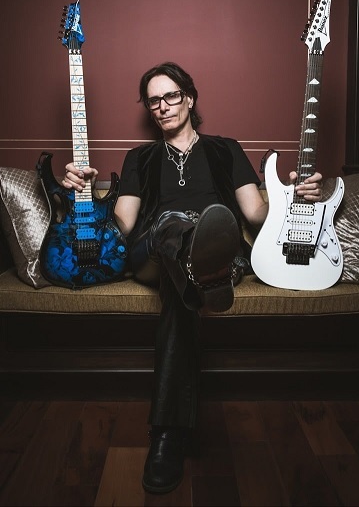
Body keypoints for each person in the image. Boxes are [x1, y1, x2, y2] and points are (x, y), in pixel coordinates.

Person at [60, 62, 326, 494]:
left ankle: (167, 434)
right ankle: (194, 253)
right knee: (170, 229)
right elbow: (123, 226)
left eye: (170, 96)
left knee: (180, 284)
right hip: (154, 251)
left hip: (209, 259)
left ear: (189, 97)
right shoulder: (139, 158)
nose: (162, 106)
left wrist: (295, 197)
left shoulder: (225, 150)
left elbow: (256, 214)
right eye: (153, 101)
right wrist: (83, 194)